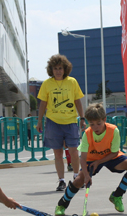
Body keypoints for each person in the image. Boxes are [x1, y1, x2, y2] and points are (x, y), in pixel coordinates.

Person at [54, 103, 127, 216]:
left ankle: (117, 195)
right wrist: (87, 175)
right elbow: (83, 159)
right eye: (92, 124)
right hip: (91, 159)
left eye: (98, 123)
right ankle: (62, 204)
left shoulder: (114, 131)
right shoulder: (87, 134)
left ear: (105, 119)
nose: (95, 127)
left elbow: (114, 152)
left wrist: (99, 161)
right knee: (79, 181)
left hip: (111, 157)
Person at [36, 54, 86, 191]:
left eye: (60, 68)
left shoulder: (72, 82)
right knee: (58, 154)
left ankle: (77, 177)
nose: (58, 71)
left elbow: (77, 101)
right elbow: (43, 103)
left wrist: (82, 118)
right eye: (55, 68)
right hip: (53, 122)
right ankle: (61, 181)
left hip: (70, 121)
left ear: (65, 69)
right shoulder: (47, 84)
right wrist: (40, 120)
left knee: (74, 151)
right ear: (51, 70)